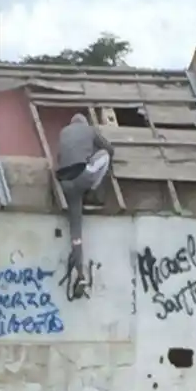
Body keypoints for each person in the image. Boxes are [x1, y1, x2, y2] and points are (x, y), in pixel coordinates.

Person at [55, 113, 115, 297]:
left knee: (76, 229)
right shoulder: (90, 130)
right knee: (104, 156)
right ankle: (95, 190)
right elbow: (109, 149)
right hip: (82, 176)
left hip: (65, 183)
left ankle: (80, 273)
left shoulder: (63, 132)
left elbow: (60, 157)